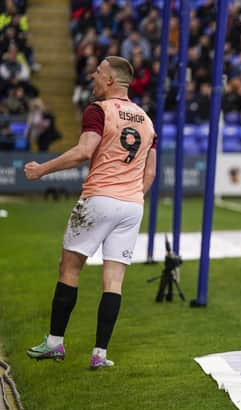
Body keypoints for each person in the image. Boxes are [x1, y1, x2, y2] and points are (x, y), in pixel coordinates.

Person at [24, 56, 157, 369]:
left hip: (99, 198)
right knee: (114, 281)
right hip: (132, 204)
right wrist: (134, 195)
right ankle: (100, 354)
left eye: (98, 72)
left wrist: (42, 169)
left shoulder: (99, 110)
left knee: (69, 268)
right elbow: (149, 173)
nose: (93, 76)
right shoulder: (146, 120)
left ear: (111, 79)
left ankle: (55, 343)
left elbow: (84, 151)